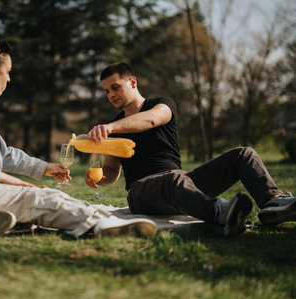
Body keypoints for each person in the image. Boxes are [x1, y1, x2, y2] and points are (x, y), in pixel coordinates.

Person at [0, 41, 157, 239]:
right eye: (7, 72)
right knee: (35, 198)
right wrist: (9, 181)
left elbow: (3, 154)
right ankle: (103, 225)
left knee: (42, 194)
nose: (8, 79)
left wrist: (43, 168)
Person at [84, 62, 295, 236]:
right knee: (174, 180)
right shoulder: (112, 128)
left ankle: (274, 204)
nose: (111, 94)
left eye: (115, 87)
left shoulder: (162, 105)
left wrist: (110, 128)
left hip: (182, 182)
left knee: (244, 154)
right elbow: (112, 172)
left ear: (132, 82)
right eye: (106, 91)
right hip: (142, 191)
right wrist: (99, 177)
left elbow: (151, 120)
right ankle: (222, 214)